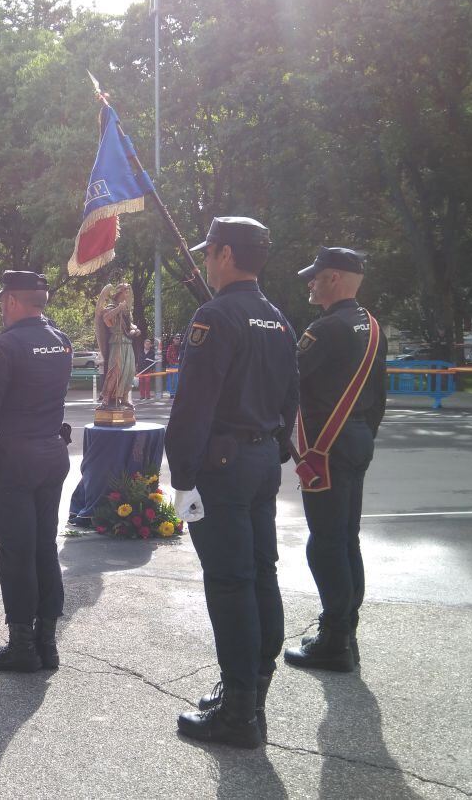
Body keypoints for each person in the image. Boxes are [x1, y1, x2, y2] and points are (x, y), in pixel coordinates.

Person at [166, 217, 299, 749]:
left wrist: (182, 474)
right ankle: (251, 693)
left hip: (222, 465)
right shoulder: (278, 319)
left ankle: (240, 712)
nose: (204, 261)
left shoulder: (215, 316)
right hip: (263, 458)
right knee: (259, 575)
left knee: (230, 583)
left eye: (208, 252)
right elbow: (291, 396)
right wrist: (274, 444)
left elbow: (193, 405)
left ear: (224, 254)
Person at [283, 248, 387, 672]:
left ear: (338, 279)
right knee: (347, 537)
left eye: (317, 276)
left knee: (325, 543)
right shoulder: (371, 325)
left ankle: (334, 638)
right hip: (358, 438)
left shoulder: (326, 329)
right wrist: (362, 434)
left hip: (327, 447)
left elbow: (287, 376)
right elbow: (379, 395)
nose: (310, 282)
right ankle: (347, 628)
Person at [0, 270, 73, 673]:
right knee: (44, 547)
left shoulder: (2, 347)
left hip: (14, 460)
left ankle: (22, 645)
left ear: (11, 301)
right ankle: (47, 642)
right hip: (51, 454)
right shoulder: (60, 342)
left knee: (16, 552)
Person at [96, 283, 139, 408]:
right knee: (115, 371)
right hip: (116, 342)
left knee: (129, 371)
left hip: (127, 342)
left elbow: (130, 325)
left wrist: (136, 330)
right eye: (126, 292)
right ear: (120, 293)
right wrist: (118, 309)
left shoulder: (127, 309)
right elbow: (106, 319)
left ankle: (124, 397)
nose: (128, 295)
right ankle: (106, 398)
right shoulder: (112, 306)